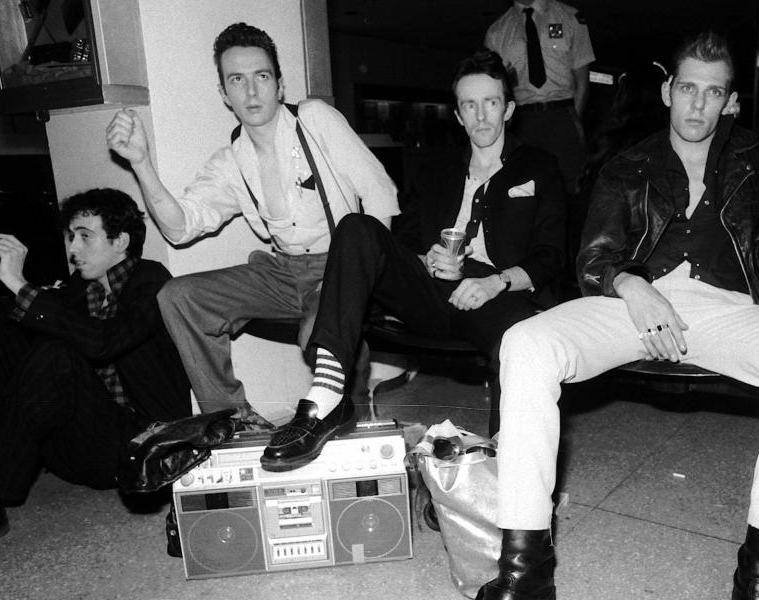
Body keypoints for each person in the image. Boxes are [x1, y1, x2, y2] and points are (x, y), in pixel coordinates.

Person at [478, 32, 759, 600]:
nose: (697, 104)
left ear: (730, 100)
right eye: (687, 88)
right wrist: (631, 285)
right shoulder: (629, 165)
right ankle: (525, 574)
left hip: (731, 311)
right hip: (633, 304)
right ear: (668, 91)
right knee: (525, 342)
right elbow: (592, 257)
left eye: (712, 93)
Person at [260, 48, 566, 472]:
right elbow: (401, 241)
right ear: (458, 115)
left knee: (517, 346)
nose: (481, 116)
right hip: (431, 291)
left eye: (491, 103)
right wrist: (424, 259)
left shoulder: (540, 166)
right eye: (469, 105)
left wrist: (494, 281)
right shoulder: (435, 170)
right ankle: (327, 397)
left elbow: (552, 255)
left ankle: (504, 471)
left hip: (499, 296)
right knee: (356, 226)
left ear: (509, 108)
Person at [106, 23, 399, 428]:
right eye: (236, 80)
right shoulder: (230, 161)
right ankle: (232, 418)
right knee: (178, 296)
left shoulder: (314, 120)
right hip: (280, 271)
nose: (250, 91)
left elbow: (379, 191)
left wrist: (368, 276)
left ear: (279, 85)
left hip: (340, 266)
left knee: (317, 334)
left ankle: (354, 411)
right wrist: (141, 163)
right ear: (224, 94)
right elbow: (180, 227)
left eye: (261, 76)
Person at [0, 189, 191, 543]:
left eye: (85, 236)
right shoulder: (76, 291)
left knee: (56, 354)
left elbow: (104, 342)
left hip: (134, 445)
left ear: (120, 241)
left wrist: (20, 285)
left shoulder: (152, 283)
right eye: (70, 237)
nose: (72, 249)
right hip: (76, 446)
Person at [485, 0, 594, 195]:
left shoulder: (569, 17)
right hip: (521, 120)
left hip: (562, 115)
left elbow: (582, 81)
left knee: (571, 190)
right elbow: (493, 90)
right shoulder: (497, 32)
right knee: (525, 191)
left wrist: (573, 118)